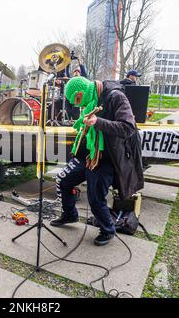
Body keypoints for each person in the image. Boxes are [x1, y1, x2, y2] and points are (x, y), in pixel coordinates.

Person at [51, 77, 144, 247]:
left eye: (78, 100)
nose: (79, 106)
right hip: (89, 155)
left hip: (107, 157)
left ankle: (108, 230)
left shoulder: (116, 97)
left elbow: (128, 128)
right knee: (64, 181)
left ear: (82, 91)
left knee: (95, 198)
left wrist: (98, 122)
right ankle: (70, 214)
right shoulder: (92, 99)